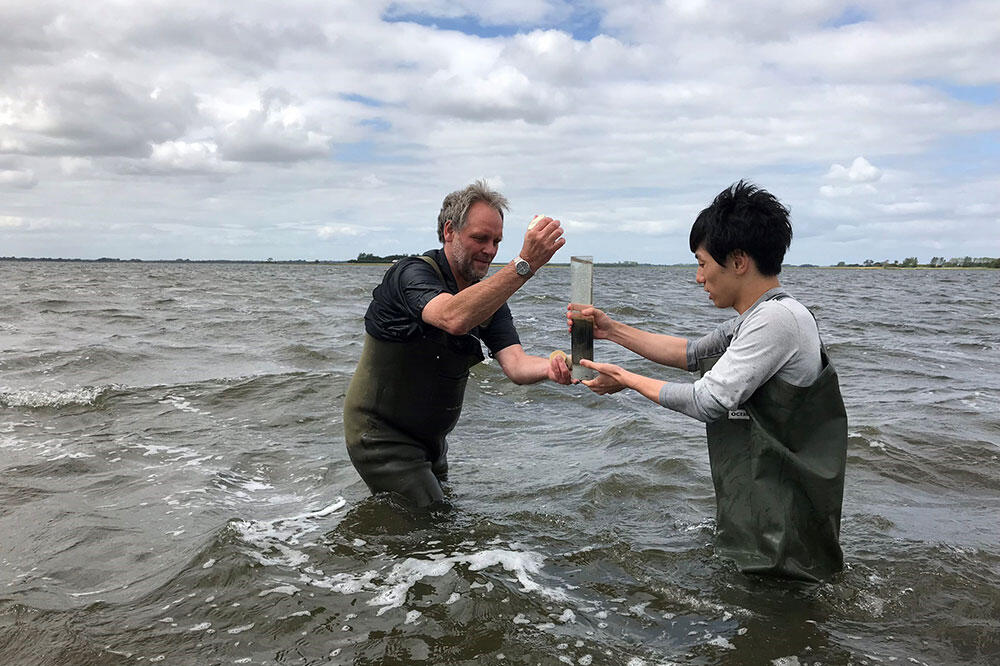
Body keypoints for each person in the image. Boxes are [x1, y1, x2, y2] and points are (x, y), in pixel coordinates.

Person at [571, 181, 848, 582]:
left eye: (702, 263)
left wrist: (626, 380)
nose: (699, 277)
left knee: (778, 605)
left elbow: (708, 401)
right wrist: (610, 330)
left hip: (786, 523)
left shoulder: (776, 320)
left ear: (738, 261)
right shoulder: (757, 317)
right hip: (768, 512)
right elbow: (691, 354)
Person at [344, 180, 572, 508]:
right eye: (480, 238)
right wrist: (526, 263)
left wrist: (555, 368)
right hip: (380, 437)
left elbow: (518, 366)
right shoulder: (412, 274)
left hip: (431, 443)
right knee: (435, 523)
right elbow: (453, 317)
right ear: (450, 231)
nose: (490, 250)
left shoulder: (489, 298)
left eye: (496, 241)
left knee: (435, 531)